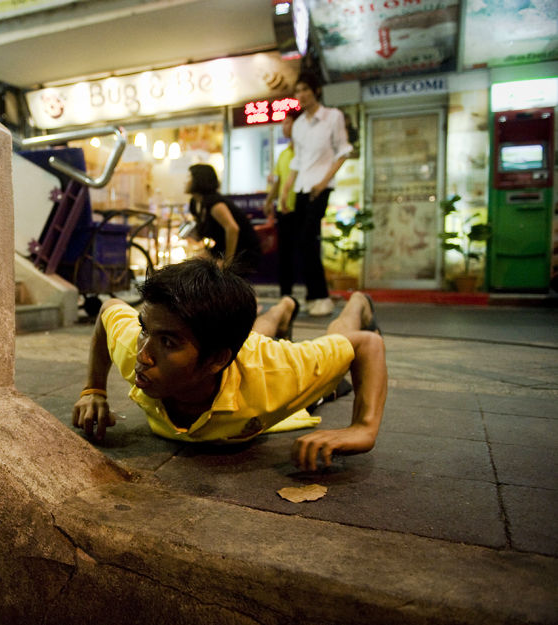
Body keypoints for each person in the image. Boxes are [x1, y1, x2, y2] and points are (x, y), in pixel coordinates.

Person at [72, 258, 386, 472]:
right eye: (144, 330)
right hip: (232, 352)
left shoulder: (279, 371)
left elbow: (366, 345)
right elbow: (109, 310)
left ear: (217, 359)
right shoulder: (139, 344)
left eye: (168, 342)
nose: (143, 355)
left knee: (339, 337)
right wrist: (94, 389)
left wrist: (363, 427)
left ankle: (358, 302)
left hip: (255, 364)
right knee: (245, 336)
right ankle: (284, 309)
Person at [279, 72, 353, 317]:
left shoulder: (333, 117)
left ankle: (321, 296)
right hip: (301, 188)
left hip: (321, 187)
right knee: (302, 244)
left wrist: (323, 182)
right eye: (297, 91)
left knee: (308, 240)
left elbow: (343, 151)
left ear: (316, 91)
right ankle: (314, 296)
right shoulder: (298, 124)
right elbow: (298, 162)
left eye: (304, 90)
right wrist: (285, 191)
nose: (300, 95)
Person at [185, 163, 261, 277]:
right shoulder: (195, 203)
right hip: (221, 249)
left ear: (198, 180)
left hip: (242, 252)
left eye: (189, 177)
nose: (185, 181)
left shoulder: (214, 203)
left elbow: (232, 229)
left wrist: (227, 263)